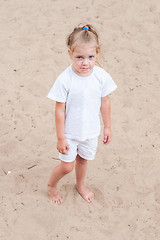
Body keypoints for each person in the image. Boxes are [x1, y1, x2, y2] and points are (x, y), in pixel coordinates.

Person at [47, 24, 117, 204]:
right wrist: (61, 137)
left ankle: (80, 185)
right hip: (70, 133)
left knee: (83, 161)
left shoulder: (101, 76)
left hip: (91, 131)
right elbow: (59, 110)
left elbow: (105, 102)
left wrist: (107, 126)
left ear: (97, 53)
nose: (85, 62)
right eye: (79, 57)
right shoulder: (65, 79)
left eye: (90, 57)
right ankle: (51, 185)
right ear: (70, 54)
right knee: (67, 166)